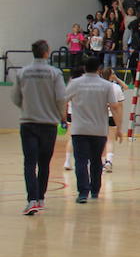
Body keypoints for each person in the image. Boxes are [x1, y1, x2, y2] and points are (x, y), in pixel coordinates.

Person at [13, 40, 66, 215]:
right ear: (46, 53)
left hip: (28, 123)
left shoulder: (23, 72)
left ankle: (32, 200)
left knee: (29, 162)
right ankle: (41, 198)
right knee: (44, 163)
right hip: (48, 124)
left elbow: (15, 98)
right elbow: (60, 98)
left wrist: (27, 107)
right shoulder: (55, 73)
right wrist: (62, 116)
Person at [64, 56, 123, 203]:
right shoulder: (106, 85)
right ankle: (95, 190)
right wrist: (120, 128)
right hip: (99, 130)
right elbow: (115, 107)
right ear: (99, 69)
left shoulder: (75, 83)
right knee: (96, 160)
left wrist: (62, 119)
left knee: (81, 161)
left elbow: (62, 101)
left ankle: (83, 193)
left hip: (79, 129)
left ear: (85, 68)